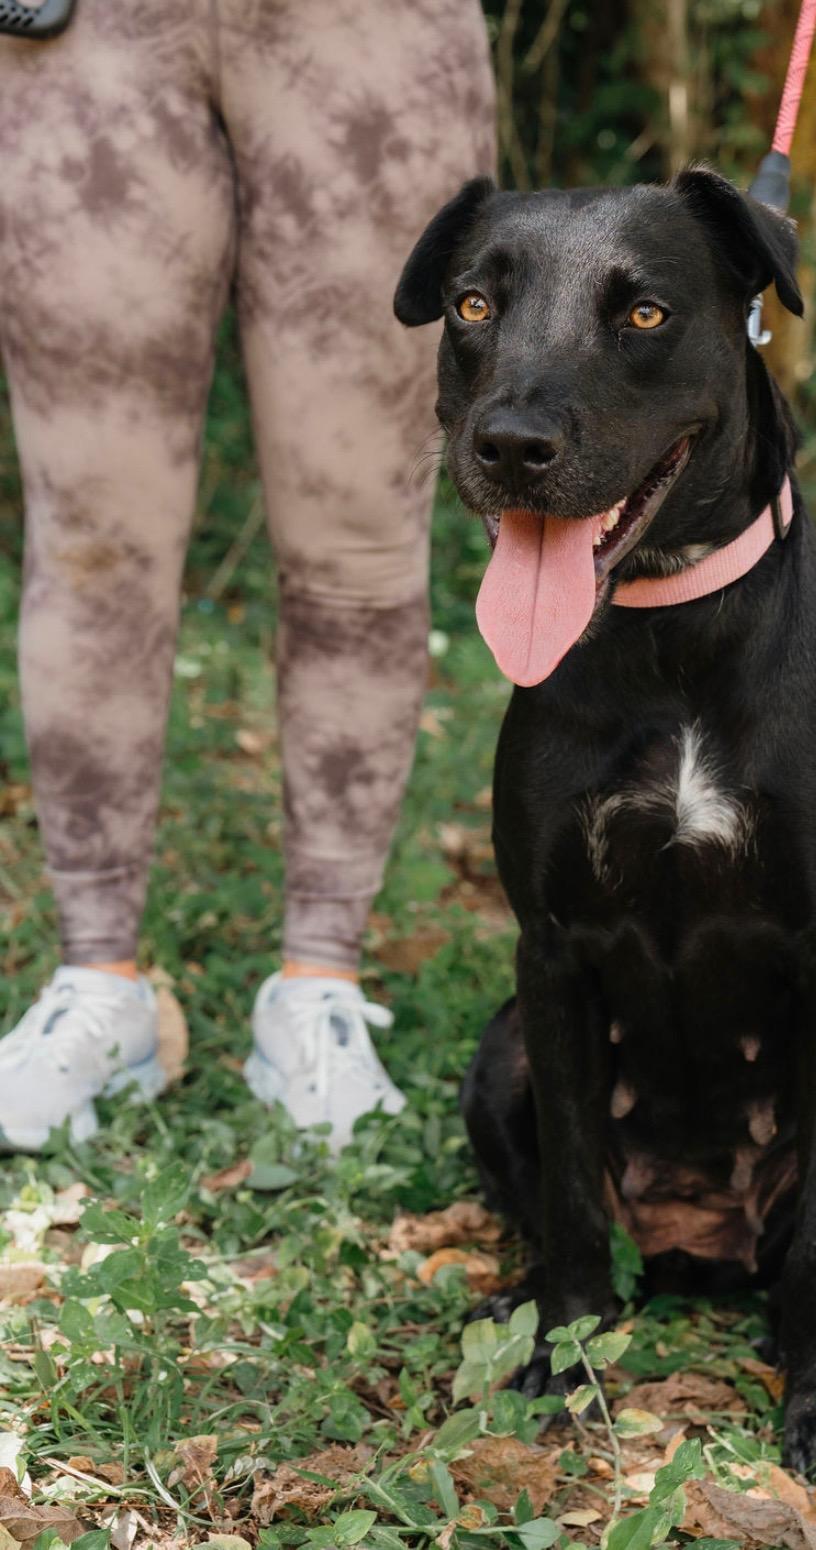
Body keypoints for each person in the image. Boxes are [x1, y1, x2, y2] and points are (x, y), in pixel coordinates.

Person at [0, 0, 495, 1152]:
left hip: (372, 33)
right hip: (82, 32)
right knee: (90, 536)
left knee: (360, 537)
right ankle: (96, 987)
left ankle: (318, 986)